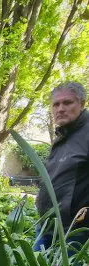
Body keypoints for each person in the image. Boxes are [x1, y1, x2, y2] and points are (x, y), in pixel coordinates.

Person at [35, 81, 89, 256]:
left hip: (75, 232)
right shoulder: (63, 136)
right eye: (56, 104)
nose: (60, 108)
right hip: (47, 227)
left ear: (82, 104)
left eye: (67, 103)